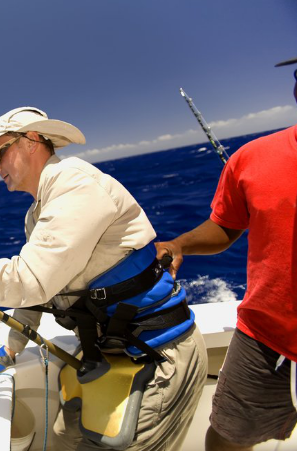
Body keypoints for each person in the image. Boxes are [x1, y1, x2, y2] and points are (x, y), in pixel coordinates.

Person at [0, 107, 207, 450]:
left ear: (31, 141)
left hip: (157, 354)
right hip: (107, 352)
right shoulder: (37, 213)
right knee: (62, 438)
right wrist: (11, 350)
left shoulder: (75, 184)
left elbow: (28, 281)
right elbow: (40, 291)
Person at [155, 57, 297, 451]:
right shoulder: (250, 159)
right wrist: (179, 244)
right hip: (266, 335)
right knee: (226, 437)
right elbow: (227, 227)